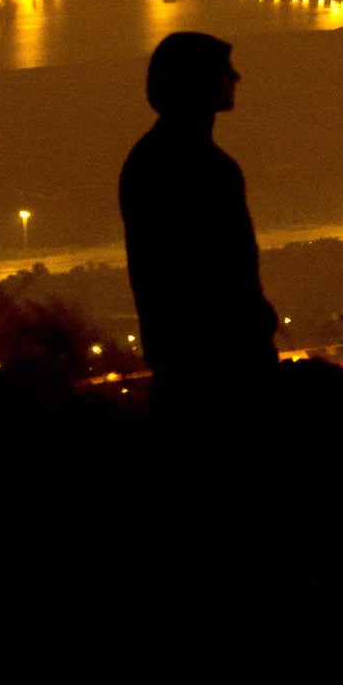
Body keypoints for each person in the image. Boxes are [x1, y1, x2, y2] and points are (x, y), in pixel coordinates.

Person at [119, 31, 278, 407]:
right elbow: (231, 274)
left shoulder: (147, 158)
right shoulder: (207, 167)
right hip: (223, 367)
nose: (236, 78)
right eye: (225, 71)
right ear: (200, 81)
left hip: (179, 361)